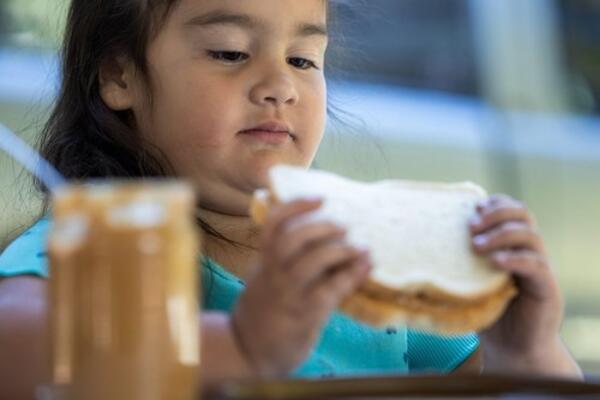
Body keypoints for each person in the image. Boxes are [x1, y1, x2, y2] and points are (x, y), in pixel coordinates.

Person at [0, 0, 583, 397]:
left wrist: (524, 352)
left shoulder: (361, 260)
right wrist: (242, 346)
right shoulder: (112, 242)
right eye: (230, 52)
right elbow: (13, 346)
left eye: (303, 59)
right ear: (118, 74)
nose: (280, 86)